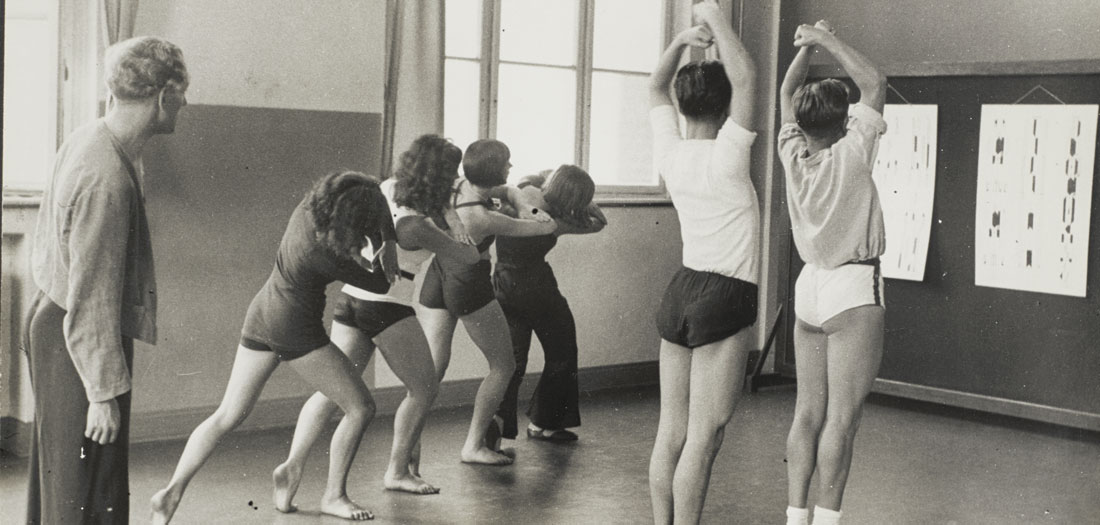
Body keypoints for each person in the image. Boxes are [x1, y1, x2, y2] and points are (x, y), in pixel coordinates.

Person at [151, 171, 398, 523]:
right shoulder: (330, 255)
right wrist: (387, 248)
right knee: (361, 408)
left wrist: (382, 232)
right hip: (294, 327)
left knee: (228, 413)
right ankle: (334, 496)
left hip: (262, 312)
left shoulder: (307, 210)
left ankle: (171, 492)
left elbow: (369, 197)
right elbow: (381, 282)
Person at [23, 36, 188, 524]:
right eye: (182, 90)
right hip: (76, 335)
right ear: (162, 96)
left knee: (70, 479)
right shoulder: (107, 179)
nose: (186, 102)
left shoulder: (95, 137)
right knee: (84, 484)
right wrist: (101, 394)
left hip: (57, 320)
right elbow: (92, 299)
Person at [271, 135, 480, 506]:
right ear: (442, 178)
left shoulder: (386, 188)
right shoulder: (419, 225)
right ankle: (397, 471)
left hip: (351, 300)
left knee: (333, 391)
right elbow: (469, 259)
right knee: (424, 389)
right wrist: (454, 217)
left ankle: (293, 463)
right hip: (387, 307)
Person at [646, 1, 761, 523]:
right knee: (705, 434)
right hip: (725, 293)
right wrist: (714, 16)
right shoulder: (728, 157)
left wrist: (679, 42)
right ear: (724, 107)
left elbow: (654, 88)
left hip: (681, 290)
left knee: (672, 428)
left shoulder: (671, 154)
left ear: (686, 105)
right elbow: (747, 74)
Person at [777, 20, 888, 525]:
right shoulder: (854, 150)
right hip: (851, 287)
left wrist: (803, 47)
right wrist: (824, 40)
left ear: (801, 124)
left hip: (810, 288)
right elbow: (874, 83)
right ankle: (827, 522)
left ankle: (795, 517)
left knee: (808, 414)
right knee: (843, 421)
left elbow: (786, 91)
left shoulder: (792, 154)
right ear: (845, 121)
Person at [417, 138, 557, 465]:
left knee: (429, 372)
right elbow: (544, 229)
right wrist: (535, 213)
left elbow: (508, 190)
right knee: (503, 366)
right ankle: (473, 446)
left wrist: (523, 203)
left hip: (438, 275)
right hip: (467, 281)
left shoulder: (459, 185)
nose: (510, 167)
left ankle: (407, 448)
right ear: (494, 169)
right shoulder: (481, 217)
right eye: (506, 163)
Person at [493, 165, 607, 443]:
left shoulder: (522, 191)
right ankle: (546, 424)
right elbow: (600, 222)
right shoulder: (557, 222)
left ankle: (494, 432)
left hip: (503, 284)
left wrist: (546, 180)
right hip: (537, 289)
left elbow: (533, 175)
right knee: (562, 352)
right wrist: (586, 202)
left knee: (513, 362)